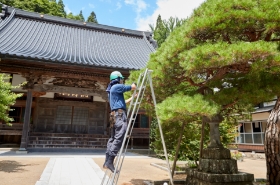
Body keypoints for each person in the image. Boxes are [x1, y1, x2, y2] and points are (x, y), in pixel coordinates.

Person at [104, 71, 137, 173]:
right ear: (117, 79)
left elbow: (122, 103)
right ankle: (110, 161)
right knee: (120, 136)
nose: (122, 80)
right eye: (121, 79)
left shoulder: (111, 90)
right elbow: (131, 87)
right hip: (119, 116)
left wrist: (132, 98)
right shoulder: (117, 86)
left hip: (115, 115)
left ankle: (106, 161)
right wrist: (135, 85)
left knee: (113, 138)